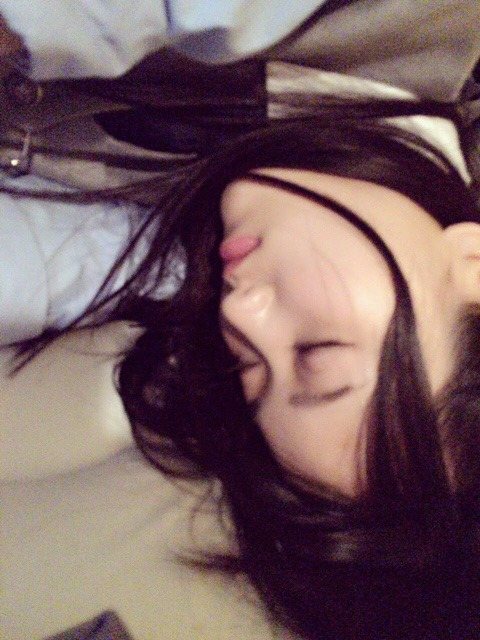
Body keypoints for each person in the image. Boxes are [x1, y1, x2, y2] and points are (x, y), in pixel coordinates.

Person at [1, 4, 480, 640]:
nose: (238, 313)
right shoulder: (399, 22)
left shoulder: (174, 274)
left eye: (252, 373)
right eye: (317, 351)